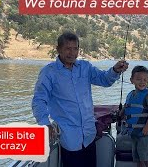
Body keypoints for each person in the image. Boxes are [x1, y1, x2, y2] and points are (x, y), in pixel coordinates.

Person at [32, 32, 128, 167]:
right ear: (58, 49)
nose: (72, 53)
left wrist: (115, 70)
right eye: (68, 48)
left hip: (89, 135)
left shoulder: (85, 67)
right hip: (69, 138)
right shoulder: (49, 72)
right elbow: (39, 100)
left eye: (75, 48)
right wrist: (45, 123)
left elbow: (104, 79)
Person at [120, 66, 148, 167]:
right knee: (137, 158)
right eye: (138, 79)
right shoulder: (130, 94)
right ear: (132, 80)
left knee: (146, 157)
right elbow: (126, 106)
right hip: (134, 132)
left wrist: (147, 127)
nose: (142, 82)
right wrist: (121, 113)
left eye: (145, 80)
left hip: (145, 133)